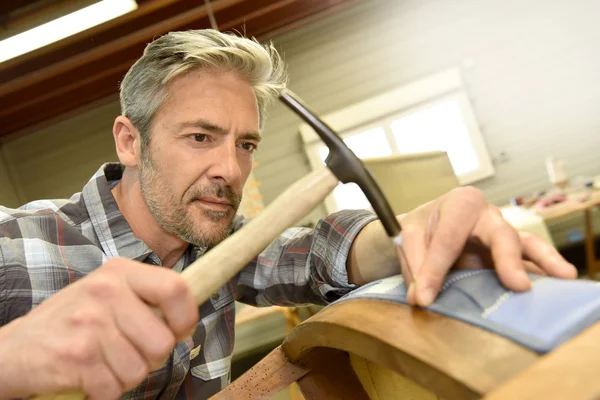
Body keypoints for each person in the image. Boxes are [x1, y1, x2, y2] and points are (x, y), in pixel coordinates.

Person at [0, 30, 576, 400]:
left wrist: (410, 234)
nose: (230, 168)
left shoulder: (220, 247)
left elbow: (317, 254)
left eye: (245, 145)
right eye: (201, 136)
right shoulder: (17, 245)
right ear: (130, 142)